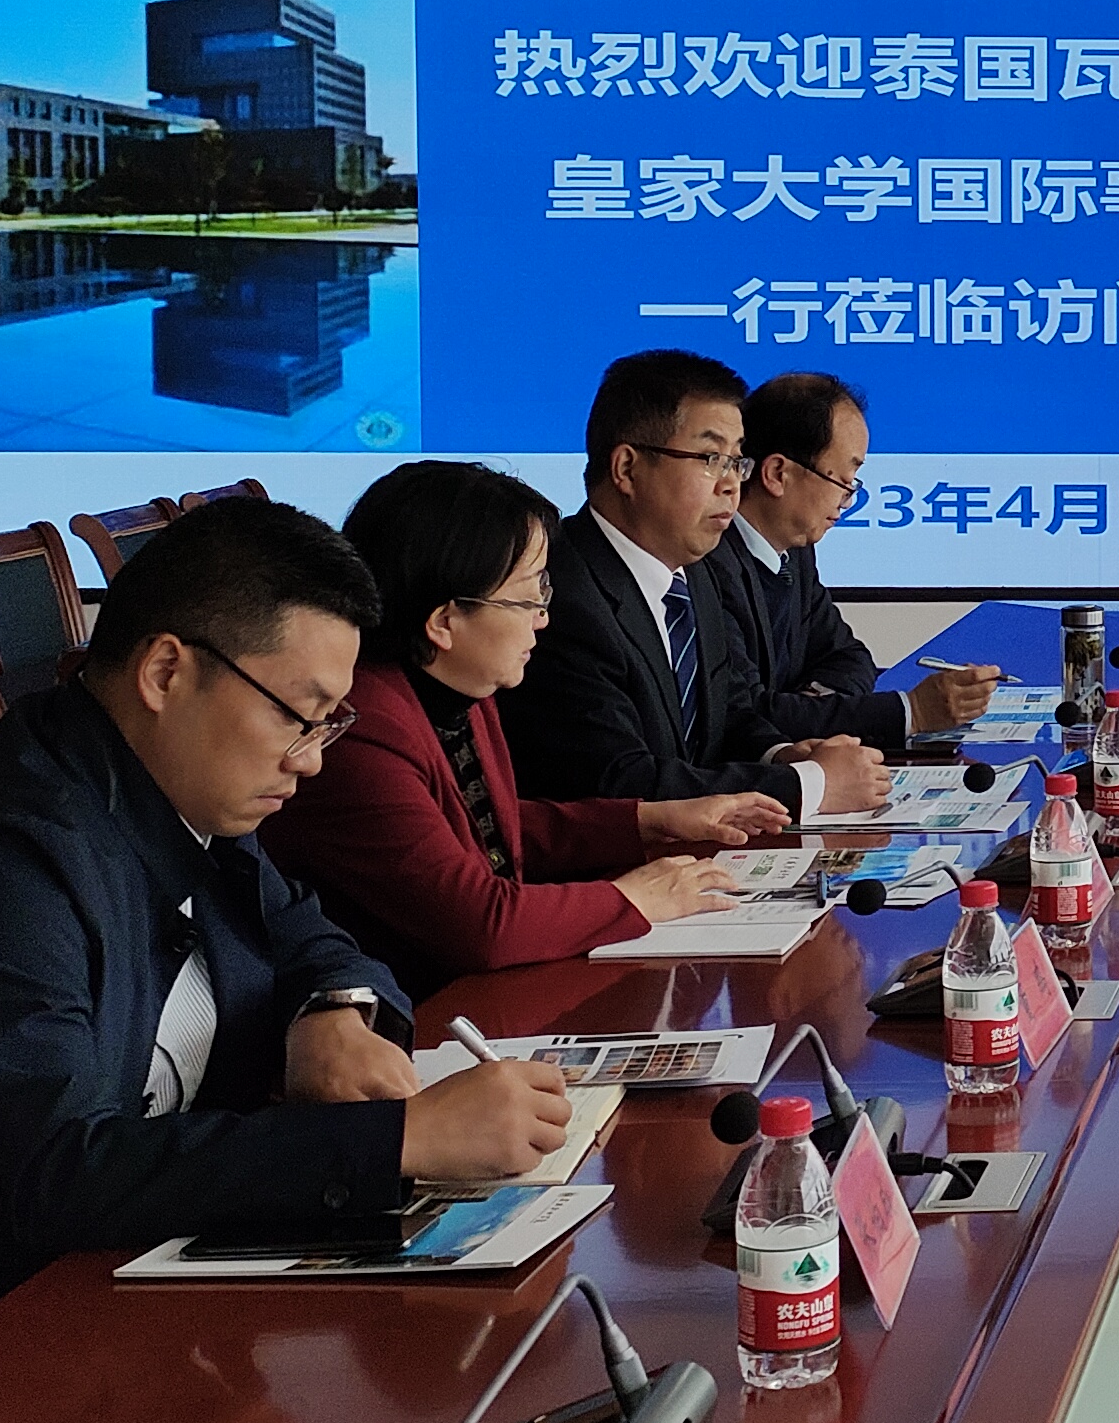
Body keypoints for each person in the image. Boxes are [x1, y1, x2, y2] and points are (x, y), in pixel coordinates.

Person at [0, 494, 579, 1372]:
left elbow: (312, 935)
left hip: (118, 1305)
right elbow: (56, 1170)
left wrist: (329, 1012)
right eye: (298, 715)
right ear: (167, 672)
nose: (312, 758)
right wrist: (402, 1141)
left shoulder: (178, 790)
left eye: (330, 722)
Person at [259, 460, 798, 996]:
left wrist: (651, 820)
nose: (543, 616)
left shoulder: (456, 687)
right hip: (414, 1013)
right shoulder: (361, 730)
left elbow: (482, 829)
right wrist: (636, 897)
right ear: (444, 622)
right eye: (527, 597)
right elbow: (480, 925)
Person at [505, 349, 891, 816]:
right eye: (710, 458)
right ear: (627, 469)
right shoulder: (562, 595)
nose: (731, 484)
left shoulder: (693, 576)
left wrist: (782, 754)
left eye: (736, 461)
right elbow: (619, 780)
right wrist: (807, 784)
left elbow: (729, 713)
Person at [713, 371, 1000, 753]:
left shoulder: (795, 552)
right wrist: (913, 711)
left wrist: (809, 707)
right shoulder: (708, 566)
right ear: (778, 474)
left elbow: (849, 656)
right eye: (844, 481)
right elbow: (747, 715)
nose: (847, 500)